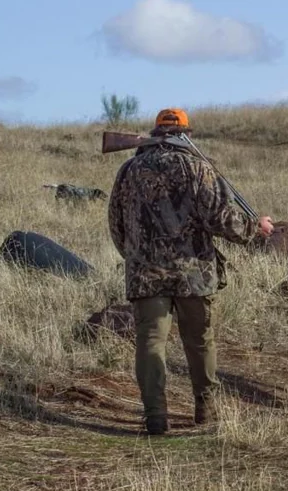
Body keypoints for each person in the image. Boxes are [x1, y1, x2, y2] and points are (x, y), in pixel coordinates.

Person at [108, 108, 274, 435]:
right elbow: (221, 219)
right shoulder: (198, 168)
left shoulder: (128, 170)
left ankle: (155, 415)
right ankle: (206, 408)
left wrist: (136, 256)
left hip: (146, 274)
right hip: (194, 274)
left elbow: (116, 223)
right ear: (186, 134)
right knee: (199, 342)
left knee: (151, 343)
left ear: (155, 133)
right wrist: (256, 229)